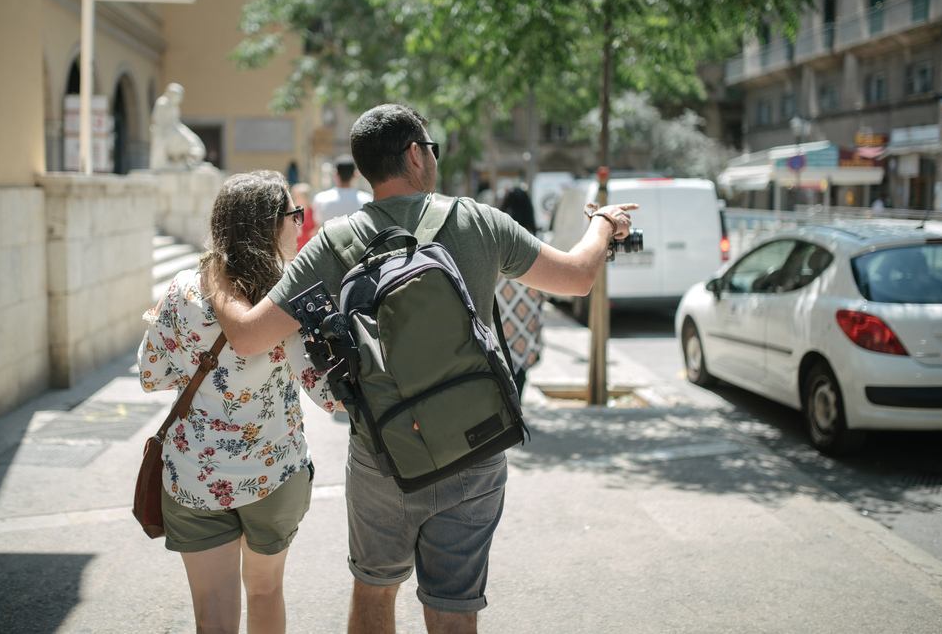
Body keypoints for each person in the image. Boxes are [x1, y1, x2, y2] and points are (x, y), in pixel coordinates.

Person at [207, 104, 636, 634]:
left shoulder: (334, 243)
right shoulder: (478, 220)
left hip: (385, 452)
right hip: (476, 445)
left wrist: (216, 274)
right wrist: (601, 226)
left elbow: (247, 335)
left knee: (374, 589)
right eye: (431, 148)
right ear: (415, 154)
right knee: (454, 605)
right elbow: (576, 277)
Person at [137, 170, 336, 634]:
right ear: (269, 225)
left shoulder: (183, 289)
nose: (299, 225)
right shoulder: (288, 299)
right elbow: (326, 393)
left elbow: (150, 375)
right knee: (265, 592)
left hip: (194, 478)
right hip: (274, 473)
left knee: (212, 612)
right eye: (294, 215)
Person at [495, 186, 545, 398]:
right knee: (518, 393)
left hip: (497, 330)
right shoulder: (537, 245)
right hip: (524, 330)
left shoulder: (495, 240)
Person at [312, 155, 372, 224]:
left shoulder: (320, 199)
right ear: (355, 174)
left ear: (335, 174)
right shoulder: (367, 200)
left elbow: (317, 224)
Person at [290, 182, 318, 250]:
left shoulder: (314, 211)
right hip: (295, 249)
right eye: (295, 197)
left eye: (298, 197)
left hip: (309, 249)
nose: (296, 199)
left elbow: (318, 228)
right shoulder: (292, 212)